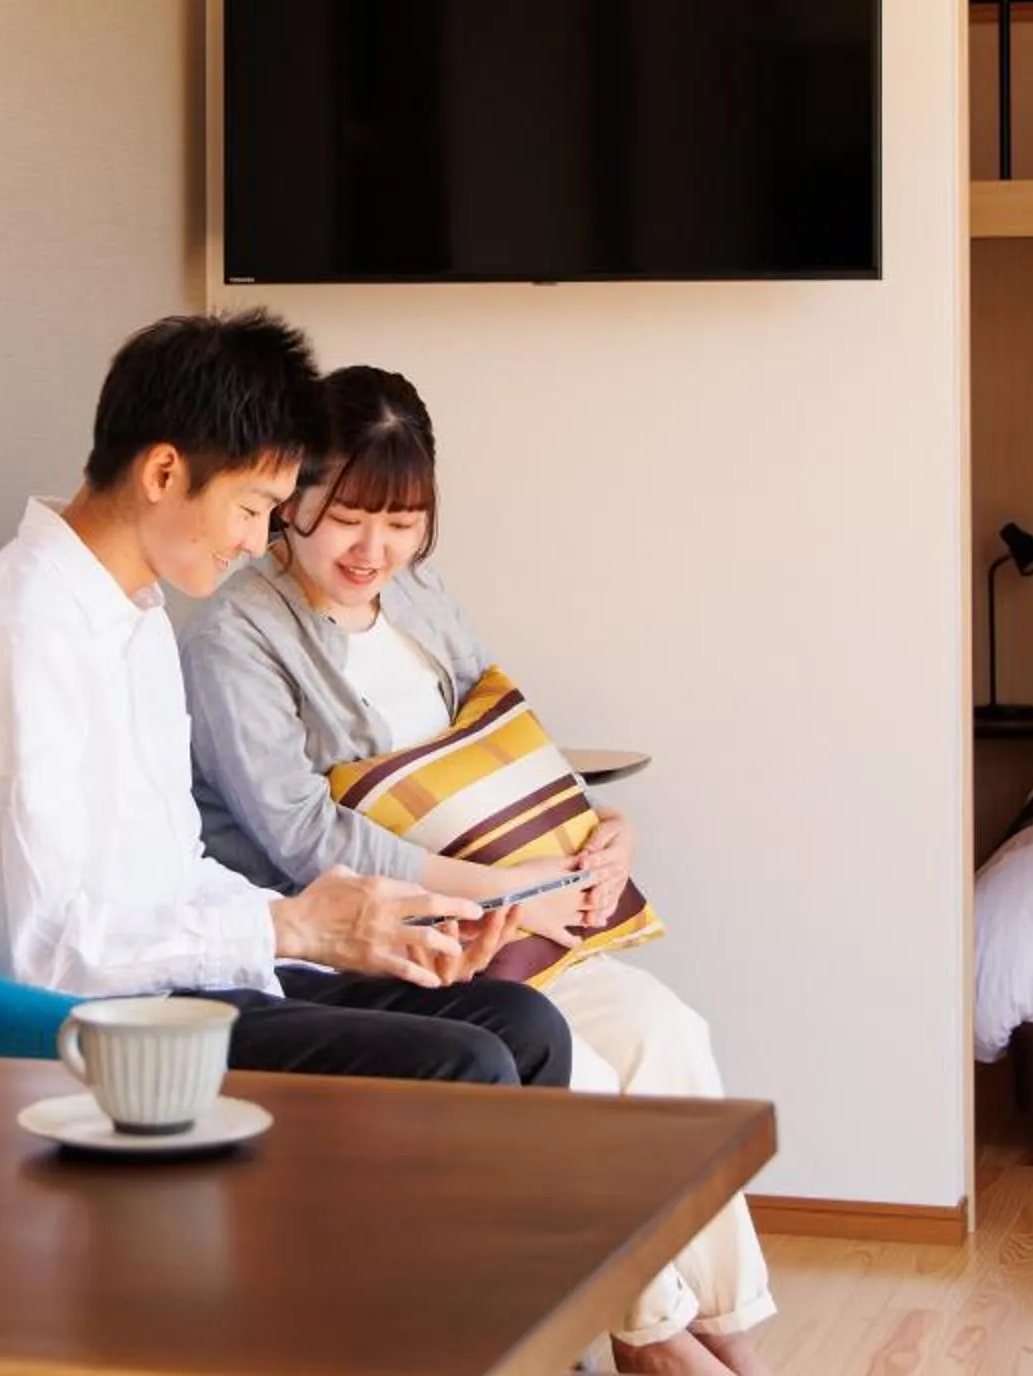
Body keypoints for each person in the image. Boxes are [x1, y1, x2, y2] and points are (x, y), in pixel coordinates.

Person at [181, 366, 776, 1376]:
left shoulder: (420, 597)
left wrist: (600, 830)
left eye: (403, 522)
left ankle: (727, 1336)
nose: (375, 550)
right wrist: (493, 887)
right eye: (348, 518)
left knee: (672, 1037)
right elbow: (302, 835)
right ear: (294, 500)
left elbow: (502, 743)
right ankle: (658, 1338)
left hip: (506, 919)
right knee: (583, 1078)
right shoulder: (239, 629)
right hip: (371, 942)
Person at [0, 310, 573, 1088]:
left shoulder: (135, 617)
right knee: (462, 1062)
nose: (256, 538)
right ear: (164, 473)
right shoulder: (15, 634)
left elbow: (173, 872)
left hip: (165, 986)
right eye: (251, 507)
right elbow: (46, 951)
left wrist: (372, 926)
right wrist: (291, 925)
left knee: (519, 1023)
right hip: (63, 1029)